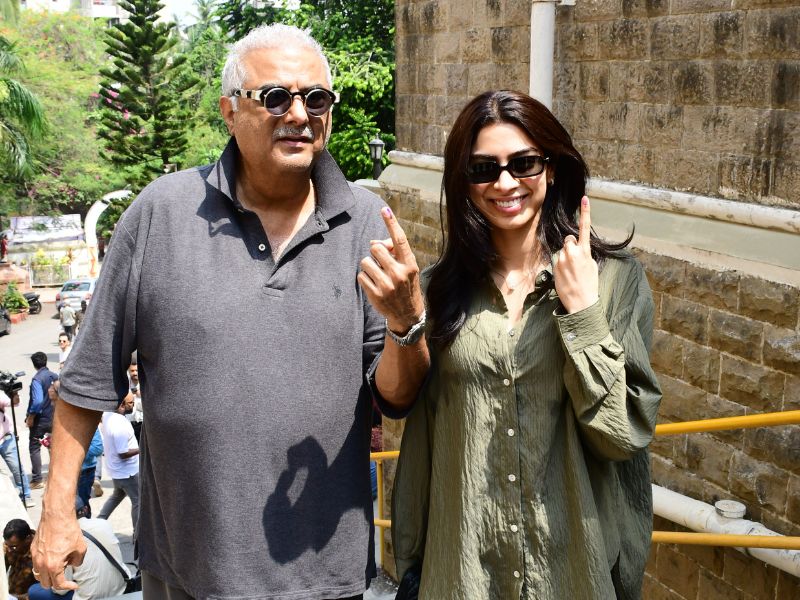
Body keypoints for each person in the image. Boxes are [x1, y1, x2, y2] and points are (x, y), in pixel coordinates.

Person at [33, 23, 428, 600]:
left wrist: (405, 322)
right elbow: (90, 377)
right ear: (229, 111)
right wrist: (57, 513)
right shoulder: (160, 214)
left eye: (316, 98)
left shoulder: (367, 222)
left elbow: (395, 395)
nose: (300, 114)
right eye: (276, 97)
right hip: (187, 571)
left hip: (323, 576)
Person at [391, 90, 663, 599]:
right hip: (464, 575)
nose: (505, 182)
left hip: (572, 574)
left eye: (524, 163)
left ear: (552, 168)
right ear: (463, 181)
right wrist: (411, 560)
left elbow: (621, 436)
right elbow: (425, 438)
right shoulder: (437, 293)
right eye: (483, 169)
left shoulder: (614, 281)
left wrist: (583, 314)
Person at [27, 516, 129, 600]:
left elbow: (61, 590)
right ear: (85, 509)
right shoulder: (103, 523)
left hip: (91, 597)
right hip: (121, 589)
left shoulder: (62, 539)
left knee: (33, 591)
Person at [97, 394, 139, 531]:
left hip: (117, 471)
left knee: (116, 496)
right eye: (130, 403)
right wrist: (142, 449)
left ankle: (98, 522)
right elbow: (123, 453)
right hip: (128, 473)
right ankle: (138, 535)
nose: (133, 405)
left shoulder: (108, 415)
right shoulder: (119, 426)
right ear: (121, 404)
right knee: (138, 501)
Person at [25, 352, 58, 489]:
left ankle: (37, 479)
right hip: (55, 418)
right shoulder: (55, 376)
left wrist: (31, 417)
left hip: (40, 420)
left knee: (35, 447)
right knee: (54, 445)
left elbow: (38, 401)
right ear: (45, 361)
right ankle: (57, 475)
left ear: (34, 364)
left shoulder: (37, 379)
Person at [1, 388, 34, 506]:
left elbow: (14, 403)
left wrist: (14, 393)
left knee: (16, 468)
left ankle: (26, 495)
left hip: (5, 440)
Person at [4, 519, 36, 600]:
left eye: (14, 547)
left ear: (28, 539)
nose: (9, 550)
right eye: (7, 545)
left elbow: (44, 591)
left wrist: (17, 598)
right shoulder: (11, 544)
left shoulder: (40, 557)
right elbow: (2, 568)